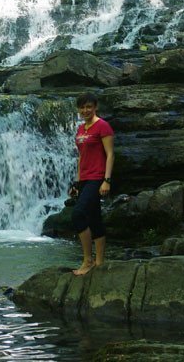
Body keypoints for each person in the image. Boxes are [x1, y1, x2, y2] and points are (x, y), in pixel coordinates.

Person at [69, 91, 114, 276]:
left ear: (95, 107)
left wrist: (107, 180)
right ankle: (100, 262)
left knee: (78, 214)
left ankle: (87, 260)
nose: (85, 110)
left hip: (98, 177)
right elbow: (81, 157)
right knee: (94, 217)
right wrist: (77, 183)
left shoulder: (103, 126)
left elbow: (110, 154)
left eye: (89, 106)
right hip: (85, 178)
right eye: (82, 107)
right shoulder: (80, 129)